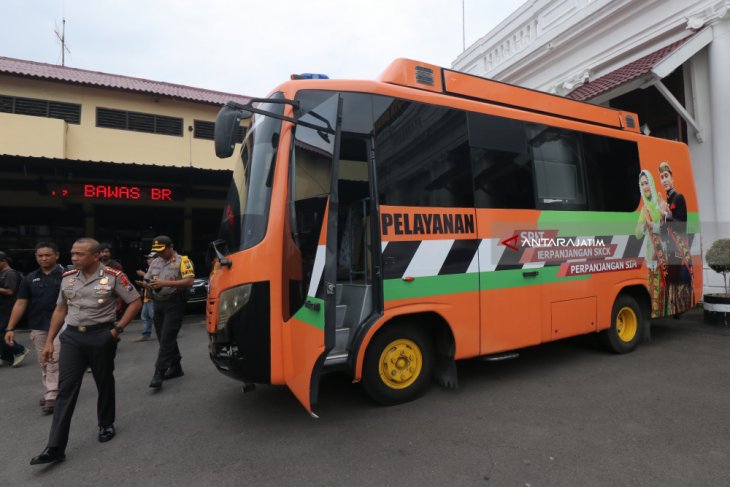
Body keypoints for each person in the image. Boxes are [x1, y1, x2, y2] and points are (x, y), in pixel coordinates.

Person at [30, 238, 141, 465]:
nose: (74, 258)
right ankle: (55, 447)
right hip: (71, 337)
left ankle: (106, 423)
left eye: (79, 254)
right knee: (65, 389)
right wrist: (50, 340)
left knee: (103, 381)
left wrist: (117, 330)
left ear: (95, 256)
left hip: (101, 335)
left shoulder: (113, 276)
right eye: (72, 254)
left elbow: (135, 302)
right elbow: (61, 308)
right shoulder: (68, 278)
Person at [4, 242, 64, 413]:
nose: (44, 258)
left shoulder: (68, 276)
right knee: (44, 359)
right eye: (40, 255)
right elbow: (21, 303)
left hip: (62, 325)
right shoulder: (29, 278)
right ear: (36, 257)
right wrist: (10, 328)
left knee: (54, 358)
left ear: (57, 255)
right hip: (38, 325)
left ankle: (52, 393)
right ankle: (52, 389)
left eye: (48, 255)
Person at [138, 236, 194, 389]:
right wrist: (148, 284)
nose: (160, 254)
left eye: (162, 251)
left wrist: (165, 283)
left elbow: (189, 281)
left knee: (167, 337)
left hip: (175, 302)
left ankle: (159, 373)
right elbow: (150, 279)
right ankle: (176, 367)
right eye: (157, 251)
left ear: (171, 247)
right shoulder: (155, 262)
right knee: (163, 336)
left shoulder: (183, 261)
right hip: (158, 302)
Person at [658, 161, 693, 314]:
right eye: (661, 177)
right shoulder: (667, 201)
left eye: (666, 176)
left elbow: (682, 225)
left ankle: (679, 309)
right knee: (670, 281)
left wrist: (666, 217)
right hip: (670, 249)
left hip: (679, 249)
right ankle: (674, 310)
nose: (664, 180)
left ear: (672, 179)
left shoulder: (679, 198)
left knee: (677, 281)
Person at [635, 170, 669, 317]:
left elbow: (666, 229)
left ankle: (664, 312)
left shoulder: (660, 204)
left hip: (662, 256)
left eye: (646, 182)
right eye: (642, 184)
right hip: (650, 259)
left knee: (663, 290)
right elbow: (637, 234)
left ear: (652, 184)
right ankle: (656, 313)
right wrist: (642, 226)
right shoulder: (644, 209)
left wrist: (651, 224)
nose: (645, 186)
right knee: (653, 291)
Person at [0, 250, 30, 368]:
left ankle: (19, 350)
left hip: (9, 309)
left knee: (2, 333)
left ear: (3, 261)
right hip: (2, 308)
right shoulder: (2, 273)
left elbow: (10, 291)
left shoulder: (10, 273)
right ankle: (6, 357)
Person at [133, 253, 156, 342]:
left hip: (153, 298)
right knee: (145, 316)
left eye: (150, 258)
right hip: (147, 297)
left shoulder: (157, 269)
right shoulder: (149, 269)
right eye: (148, 259)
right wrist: (142, 284)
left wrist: (143, 275)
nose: (148, 260)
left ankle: (167, 333)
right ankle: (146, 334)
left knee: (155, 317)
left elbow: (155, 283)